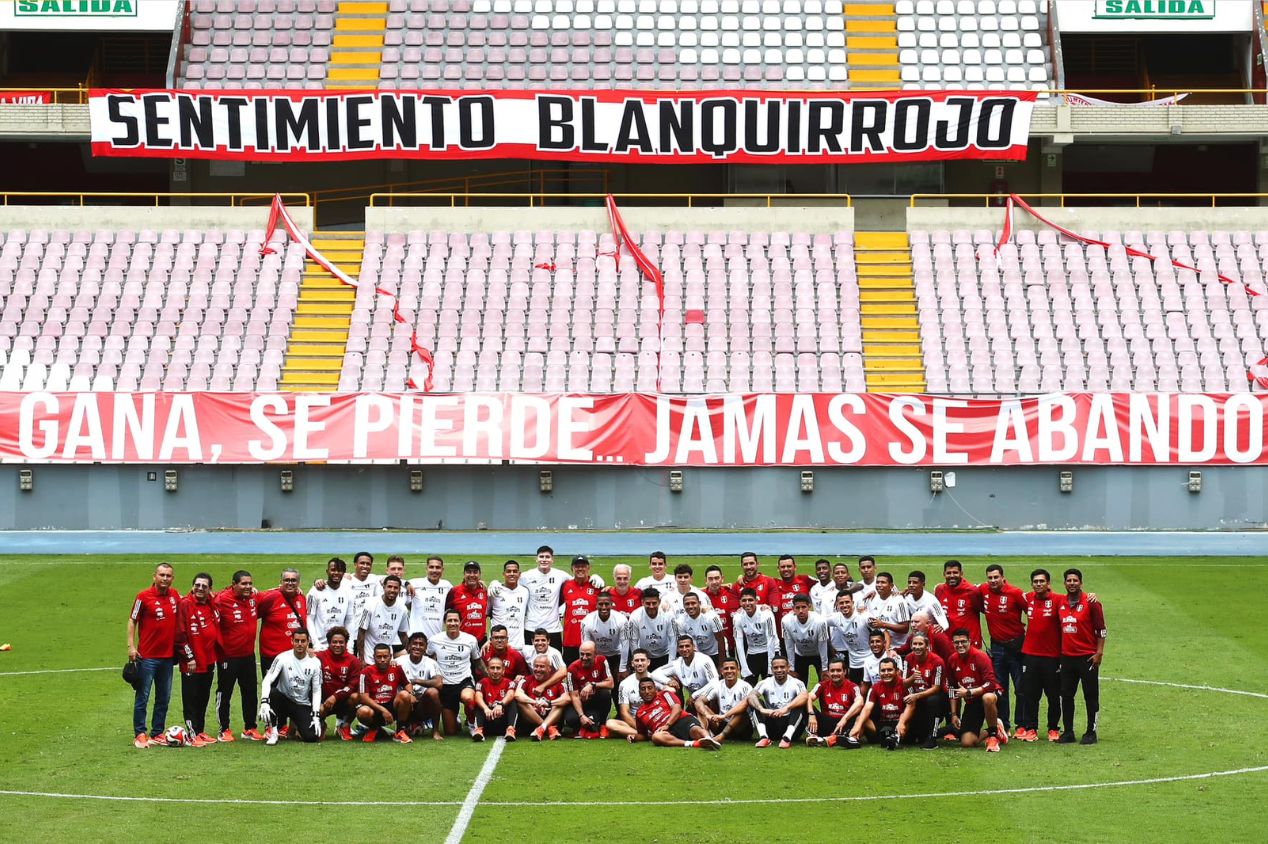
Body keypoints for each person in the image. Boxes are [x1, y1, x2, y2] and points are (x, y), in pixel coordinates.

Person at [128, 562, 181, 749]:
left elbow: (192, 599)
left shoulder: (175, 596)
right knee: (143, 696)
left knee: (163, 697)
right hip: (147, 657)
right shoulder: (143, 597)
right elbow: (132, 620)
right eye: (162, 575)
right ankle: (140, 733)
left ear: (172, 578)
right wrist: (131, 646)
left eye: (168, 575)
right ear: (154, 576)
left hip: (167, 657)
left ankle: (157, 732)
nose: (165, 578)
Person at [1058, 568, 1107, 745]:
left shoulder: (1091, 602)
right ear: (1064, 583)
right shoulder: (1060, 602)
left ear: (1081, 583)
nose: (1072, 583)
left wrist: (1099, 653)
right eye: (1069, 580)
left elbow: (1101, 630)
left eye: (1075, 580)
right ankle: (1068, 731)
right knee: (1066, 695)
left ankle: (1091, 732)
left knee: (1090, 695)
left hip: (1087, 657)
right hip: (1067, 657)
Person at [213, 569, 263, 742]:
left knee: (250, 692)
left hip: (248, 656)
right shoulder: (221, 600)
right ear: (234, 584)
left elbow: (272, 595)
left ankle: (250, 727)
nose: (248, 586)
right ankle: (223, 729)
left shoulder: (253, 599)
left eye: (250, 583)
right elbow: (203, 599)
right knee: (225, 693)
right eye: (244, 583)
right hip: (228, 657)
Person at [980, 564, 1027, 736]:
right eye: (990, 578)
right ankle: (1004, 725)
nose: (993, 580)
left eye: (996, 577)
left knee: (1021, 688)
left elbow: (1032, 610)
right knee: (1000, 689)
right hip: (997, 647)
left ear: (1002, 577)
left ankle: (1021, 725)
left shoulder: (1015, 593)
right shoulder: (983, 590)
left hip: (1017, 647)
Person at [1020, 568, 1064, 742]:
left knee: (1053, 695)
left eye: (1041, 581)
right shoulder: (1028, 598)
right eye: (1035, 582)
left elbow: (1077, 602)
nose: (1038, 584)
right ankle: (1031, 729)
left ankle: (1053, 729)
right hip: (1030, 655)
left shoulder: (1058, 599)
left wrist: (1091, 597)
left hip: (1052, 657)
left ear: (1048, 584)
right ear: (1032, 584)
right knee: (1031, 695)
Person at [946, 628, 1007, 752]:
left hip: (991, 695)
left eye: (963, 641)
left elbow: (990, 684)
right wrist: (953, 715)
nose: (960, 645)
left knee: (987, 697)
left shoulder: (980, 656)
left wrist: (969, 692)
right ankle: (996, 728)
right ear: (952, 644)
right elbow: (952, 688)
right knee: (967, 742)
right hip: (973, 701)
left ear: (970, 641)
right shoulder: (952, 660)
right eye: (956, 642)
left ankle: (993, 737)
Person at [259, 629, 322, 745]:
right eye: (297, 640)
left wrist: (316, 715)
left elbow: (317, 691)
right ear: (292, 641)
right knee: (273, 694)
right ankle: (273, 733)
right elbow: (267, 680)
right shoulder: (282, 658)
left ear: (308, 642)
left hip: (301, 704)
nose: (299, 644)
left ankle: (296, 727)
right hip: (283, 701)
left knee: (311, 737)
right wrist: (264, 702)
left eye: (303, 641)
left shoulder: (315, 663)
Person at [177, 572, 219, 747]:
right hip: (191, 663)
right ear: (193, 586)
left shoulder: (211, 604)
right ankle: (191, 734)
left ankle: (200, 731)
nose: (200, 588)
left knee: (203, 698)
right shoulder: (185, 604)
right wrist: (189, 657)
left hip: (209, 661)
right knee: (191, 700)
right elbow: (180, 635)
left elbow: (228, 592)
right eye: (197, 585)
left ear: (210, 589)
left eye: (204, 586)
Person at [427, 609, 485, 736]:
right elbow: (427, 659)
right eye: (449, 620)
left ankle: (471, 724)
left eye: (455, 620)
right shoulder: (434, 640)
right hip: (446, 685)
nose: (452, 623)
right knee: (450, 732)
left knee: (468, 698)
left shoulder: (470, 640)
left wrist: (488, 679)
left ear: (460, 622)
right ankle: (455, 719)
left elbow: (478, 661)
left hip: (464, 681)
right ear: (444, 623)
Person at [630, 678, 721, 749]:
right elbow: (643, 735)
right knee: (656, 737)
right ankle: (694, 744)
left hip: (682, 720)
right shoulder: (640, 713)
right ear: (639, 692)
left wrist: (667, 724)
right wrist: (634, 737)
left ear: (655, 689)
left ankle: (708, 739)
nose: (647, 692)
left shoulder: (664, 694)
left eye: (650, 688)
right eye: (643, 689)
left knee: (695, 730)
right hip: (666, 732)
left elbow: (677, 708)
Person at [899, 631, 948, 750]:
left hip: (937, 699)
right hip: (918, 698)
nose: (917, 647)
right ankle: (949, 729)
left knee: (933, 701)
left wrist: (916, 696)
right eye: (914, 644)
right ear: (911, 646)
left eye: (920, 644)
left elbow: (936, 688)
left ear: (927, 646)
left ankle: (933, 737)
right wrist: (912, 679)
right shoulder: (908, 659)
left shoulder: (937, 661)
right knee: (911, 739)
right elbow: (904, 683)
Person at [356, 643, 412, 743]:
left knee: (405, 695)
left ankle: (399, 731)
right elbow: (363, 697)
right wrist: (383, 710)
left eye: (385, 656)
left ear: (390, 657)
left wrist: (410, 694)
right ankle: (374, 729)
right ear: (374, 657)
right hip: (374, 707)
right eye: (379, 657)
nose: (382, 659)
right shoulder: (365, 672)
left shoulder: (397, 669)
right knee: (362, 711)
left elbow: (407, 684)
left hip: (391, 706)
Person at [256, 568, 308, 675]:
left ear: (298, 583)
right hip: (272, 656)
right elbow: (252, 613)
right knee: (273, 690)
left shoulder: (301, 598)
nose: (290, 583)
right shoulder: (271, 597)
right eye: (286, 580)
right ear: (281, 582)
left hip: (296, 655)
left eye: (293, 580)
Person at [748, 656, 808, 748]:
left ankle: (786, 738)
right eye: (776, 668)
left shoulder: (797, 683)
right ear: (771, 669)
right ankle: (764, 737)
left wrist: (786, 708)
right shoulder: (765, 683)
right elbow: (751, 696)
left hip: (791, 725)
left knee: (799, 705)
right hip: (772, 725)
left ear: (788, 668)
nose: (779, 670)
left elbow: (804, 696)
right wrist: (762, 709)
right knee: (756, 703)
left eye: (782, 667)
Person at [849, 656, 908, 749]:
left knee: (905, 718)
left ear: (897, 671)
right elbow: (867, 707)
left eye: (889, 670)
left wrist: (902, 722)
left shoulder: (905, 684)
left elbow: (911, 707)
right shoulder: (875, 687)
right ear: (879, 672)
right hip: (882, 724)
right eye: (883, 670)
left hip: (900, 723)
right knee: (860, 719)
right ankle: (852, 740)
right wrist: (858, 726)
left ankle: (896, 739)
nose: (886, 673)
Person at [607, 649, 668, 739]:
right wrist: (640, 728)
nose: (639, 663)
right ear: (632, 663)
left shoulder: (657, 680)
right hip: (634, 721)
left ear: (648, 662)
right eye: (636, 660)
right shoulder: (624, 684)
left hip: (654, 719)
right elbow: (624, 712)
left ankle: (640, 735)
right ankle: (646, 735)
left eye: (642, 660)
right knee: (610, 723)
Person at [316, 626, 362, 741]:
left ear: (346, 643)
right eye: (334, 642)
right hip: (324, 701)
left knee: (356, 696)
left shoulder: (353, 661)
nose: (337, 645)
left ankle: (344, 725)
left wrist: (335, 696)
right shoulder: (319, 657)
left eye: (341, 642)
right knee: (320, 710)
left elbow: (352, 686)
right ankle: (321, 724)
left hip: (342, 700)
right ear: (329, 643)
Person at [805, 657, 864, 748]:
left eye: (838, 670)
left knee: (861, 715)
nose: (835, 673)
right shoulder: (822, 685)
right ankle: (814, 735)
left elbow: (860, 702)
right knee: (804, 704)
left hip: (844, 723)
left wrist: (844, 719)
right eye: (832, 671)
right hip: (826, 721)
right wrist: (811, 714)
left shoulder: (852, 686)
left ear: (845, 671)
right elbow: (808, 697)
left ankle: (829, 739)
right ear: (828, 672)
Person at [396, 632, 443, 741]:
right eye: (414, 643)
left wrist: (416, 681)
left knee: (433, 692)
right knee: (404, 696)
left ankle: (435, 730)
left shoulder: (431, 663)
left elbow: (439, 683)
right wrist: (409, 694)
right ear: (408, 646)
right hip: (404, 702)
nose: (417, 647)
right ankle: (400, 729)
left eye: (421, 644)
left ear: (426, 647)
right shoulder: (398, 662)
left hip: (422, 704)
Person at [693, 657, 753, 742]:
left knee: (741, 711)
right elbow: (698, 701)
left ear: (738, 671)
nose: (729, 671)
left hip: (741, 728)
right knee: (702, 708)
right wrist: (708, 715)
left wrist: (724, 715)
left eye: (732, 668)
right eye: (726, 668)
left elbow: (745, 705)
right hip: (722, 724)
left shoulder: (745, 686)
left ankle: (721, 736)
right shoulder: (717, 685)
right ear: (721, 671)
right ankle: (706, 736)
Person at [566, 641, 615, 738]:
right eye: (582, 654)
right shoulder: (572, 668)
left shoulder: (602, 661)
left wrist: (593, 685)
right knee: (571, 719)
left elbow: (611, 684)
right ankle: (583, 726)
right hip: (580, 702)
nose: (584, 658)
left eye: (588, 655)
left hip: (595, 702)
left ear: (595, 654)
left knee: (605, 694)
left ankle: (602, 725)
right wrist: (581, 715)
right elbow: (574, 696)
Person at [516, 653, 570, 740]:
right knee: (521, 702)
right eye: (536, 666)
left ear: (549, 668)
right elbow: (517, 695)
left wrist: (549, 703)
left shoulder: (558, 682)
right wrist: (534, 702)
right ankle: (547, 728)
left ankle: (542, 728)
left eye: (542, 667)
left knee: (559, 704)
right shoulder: (526, 680)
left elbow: (567, 698)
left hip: (552, 717)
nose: (538, 669)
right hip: (533, 720)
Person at [306, 558, 357, 650]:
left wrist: (349, 646)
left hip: (339, 646)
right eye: (333, 570)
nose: (336, 573)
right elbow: (309, 618)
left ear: (344, 573)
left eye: (339, 570)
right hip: (320, 646)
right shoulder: (315, 591)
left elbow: (350, 620)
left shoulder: (349, 592)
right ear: (327, 571)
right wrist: (316, 643)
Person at [357, 574, 409, 663]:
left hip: (387, 658)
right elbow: (361, 632)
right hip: (369, 657)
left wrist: (409, 654)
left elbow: (403, 634)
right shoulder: (371, 604)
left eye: (395, 588)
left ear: (399, 590)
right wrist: (362, 658)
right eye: (389, 587)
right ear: (384, 587)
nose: (392, 590)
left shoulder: (402, 609)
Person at [731, 588, 779, 682]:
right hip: (753, 652)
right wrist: (744, 667)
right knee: (747, 687)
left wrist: (770, 666)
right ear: (740, 602)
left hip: (770, 651)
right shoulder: (737, 617)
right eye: (744, 600)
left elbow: (771, 640)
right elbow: (738, 643)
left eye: (750, 600)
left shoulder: (766, 614)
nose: (747, 603)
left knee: (771, 687)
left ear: (756, 601)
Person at [560, 556, 600, 664]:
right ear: (572, 569)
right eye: (577, 566)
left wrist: (605, 586)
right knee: (571, 673)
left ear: (589, 568)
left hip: (591, 641)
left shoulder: (596, 585)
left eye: (583, 566)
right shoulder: (565, 586)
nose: (580, 569)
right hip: (570, 641)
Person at [654, 635, 719, 702]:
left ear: (693, 647)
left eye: (687, 646)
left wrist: (694, 695)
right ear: (677, 649)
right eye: (681, 647)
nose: (684, 649)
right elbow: (655, 674)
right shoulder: (677, 663)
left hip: (708, 694)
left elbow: (714, 683)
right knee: (671, 685)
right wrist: (668, 681)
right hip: (692, 699)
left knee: (700, 702)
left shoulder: (704, 660)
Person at [781, 594, 830, 683]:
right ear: (793, 608)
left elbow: (823, 645)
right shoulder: (786, 621)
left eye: (804, 607)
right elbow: (789, 645)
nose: (801, 611)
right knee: (798, 683)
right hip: (800, 654)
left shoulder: (820, 621)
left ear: (809, 606)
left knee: (825, 682)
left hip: (818, 654)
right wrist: (791, 668)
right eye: (797, 608)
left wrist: (825, 668)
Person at [826, 591, 871, 683]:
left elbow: (883, 632)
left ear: (853, 603)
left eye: (847, 602)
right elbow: (818, 621)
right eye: (841, 603)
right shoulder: (836, 618)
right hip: (854, 663)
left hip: (870, 660)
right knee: (857, 691)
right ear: (837, 605)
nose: (844, 605)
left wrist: (887, 651)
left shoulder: (864, 616)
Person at [937, 560, 984, 647]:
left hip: (969, 643)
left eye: (955, 572)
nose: (952, 576)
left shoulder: (972, 591)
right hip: (947, 643)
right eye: (948, 573)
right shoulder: (939, 590)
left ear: (961, 573)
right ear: (944, 574)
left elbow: (986, 611)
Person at [625, 588, 674, 670]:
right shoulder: (635, 616)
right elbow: (633, 641)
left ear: (659, 601)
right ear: (642, 602)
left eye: (654, 603)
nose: (651, 606)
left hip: (665, 654)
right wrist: (639, 660)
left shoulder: (668, 615)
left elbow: (673, 639)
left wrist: (671, 663)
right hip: (646, 657)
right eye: (648, 603)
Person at [580, 592, 627, 675]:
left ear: (612, 605)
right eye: (601, 604)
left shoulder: (621, 620)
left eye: (606, 604)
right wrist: (588, 665)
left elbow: (625, 645)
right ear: (596, 605)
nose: (604, 607)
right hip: (597, 656)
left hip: (616, 655)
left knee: (617, 683)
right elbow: (586, 646)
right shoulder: (587, 621)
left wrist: (622, 668)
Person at [474, 655, 519, 741]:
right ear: (487, 670)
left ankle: (510, 730)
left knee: (512, 701)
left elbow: (510, 694)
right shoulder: (481, 683)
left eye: (498, 668)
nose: (495, 671)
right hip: (488, 720)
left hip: (503, 720)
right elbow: (478, 696)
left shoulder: (509, 683)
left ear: (503, 670)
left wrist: (500, 704)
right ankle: (479, 730)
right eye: (492, 668)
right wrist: (486, 708)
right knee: (478, 703)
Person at [407, 556, 452, 643]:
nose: (434, 570)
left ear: (443, 569)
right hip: (415, 639)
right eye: (431, 567)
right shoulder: (414, 583)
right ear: (426, 569)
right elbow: (395, 582)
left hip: (436, 639)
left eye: (438, 567)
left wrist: (478, 583)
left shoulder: (447, 585)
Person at [487, 559, 529, 648]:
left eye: (515, 571)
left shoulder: (525, 592)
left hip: (518, 646)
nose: (512, 574)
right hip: (497, 645)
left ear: (519, 574)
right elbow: (485, 613)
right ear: (503, 574)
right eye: (508, 571)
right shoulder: (495, 591)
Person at [672, 592, 725, 662]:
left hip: (716, 652)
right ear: (683, 606)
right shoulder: (680, 622)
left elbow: (721, 640)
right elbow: (685, 644)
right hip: (697, 654)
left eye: (693, 603)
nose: (690, 606)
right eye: (687, 604)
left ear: (699, 603)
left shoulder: (711, 617)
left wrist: (721, 663)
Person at [446, 561, 489, 644]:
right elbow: (443, 612)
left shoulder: (485, 591)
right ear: (464, 574)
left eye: (475, 572)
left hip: (481, 641)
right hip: (460, 641)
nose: (472, 575)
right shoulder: (455, 591)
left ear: (479, 575)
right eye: (468, 572)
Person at [702, 565, 738, 658]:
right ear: (705, 580)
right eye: (710, 579)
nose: (714, 582)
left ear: (722, 579)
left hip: (730, 644)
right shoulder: (700, 596)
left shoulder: (731, 592)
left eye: (717, 578)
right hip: (708, 648)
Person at [773, 555, 815, 631]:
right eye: (783, 567)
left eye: (789, 566)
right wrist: (743, 578)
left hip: (805, 631)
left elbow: (827, 583)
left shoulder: (805, 580)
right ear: (778, 569)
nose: (786, 569)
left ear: (795, 567)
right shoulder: (773, 583)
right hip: (782, 631)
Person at [870, 572, 911, 648]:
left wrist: (883, 624)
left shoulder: (899, 601)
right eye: (877, 582)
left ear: (891, 585)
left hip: (898, 647)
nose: (879, 585)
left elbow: (905, 628)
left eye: (883, 582)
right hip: (879, 648)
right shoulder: (872, 600)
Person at [861, 628, 905, 695]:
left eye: (878, 641)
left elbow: (899, 680)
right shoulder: (867, 661)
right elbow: (866, 684)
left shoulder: (894, 656)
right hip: (877, 694)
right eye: (872, 642)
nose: (875, 644)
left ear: (884, 643)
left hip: (893, 693)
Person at [345, 551, 382, 627]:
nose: (365, 566)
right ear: (355, 564)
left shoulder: (374, 579)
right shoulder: (347, 580)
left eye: (368, 564)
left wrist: (406, 584)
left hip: (370, 627)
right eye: (362, 563)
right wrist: (317, 581)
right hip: (352, 626)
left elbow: (394, 578)